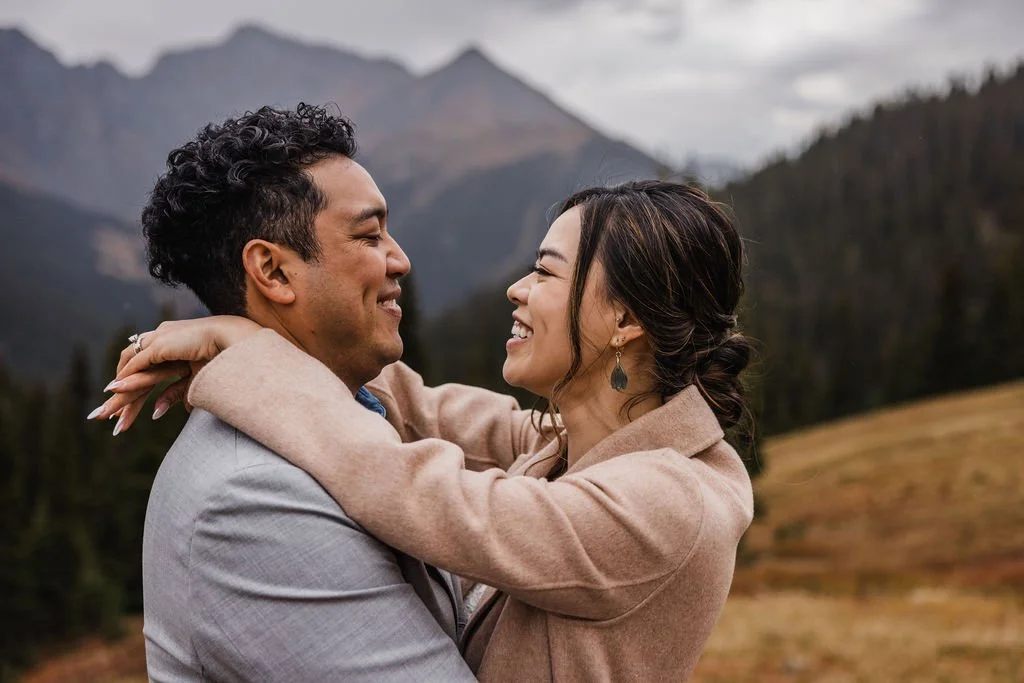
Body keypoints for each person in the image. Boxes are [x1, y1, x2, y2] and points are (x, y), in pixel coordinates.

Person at [99, 181, 755, 680]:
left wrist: (250, 351)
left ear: (623, 319)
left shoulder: (668, 504)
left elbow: (429, 496)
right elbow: (436, 411)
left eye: (548, 272)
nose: (517, 289)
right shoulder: (582, 446)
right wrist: (294, 343)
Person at [93, 103, 489, 681]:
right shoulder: (249, 499)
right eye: (370, 234)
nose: (399, 259)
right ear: (273, 272)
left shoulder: (346, 413)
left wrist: (246, 341)